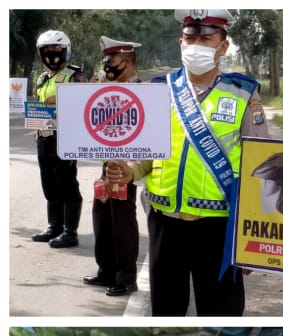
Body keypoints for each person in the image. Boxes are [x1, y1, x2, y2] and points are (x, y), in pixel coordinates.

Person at [105, 10, 267, 316]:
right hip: (166, 224)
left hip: (220, 228)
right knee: (165, 313)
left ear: (223, 46)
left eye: (206, 38)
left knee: (222, 317)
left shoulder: (244, 93)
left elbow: (259, 170)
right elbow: (148, 158)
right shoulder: (160, 90)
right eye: (190, 38)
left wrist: (251, 241)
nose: (196, 45)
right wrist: (128, 172)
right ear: (181, 41)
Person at [83, 36, 143, 297]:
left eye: (111, 60)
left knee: (122, 221)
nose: (107, 64)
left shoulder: (141, 91)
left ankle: (126, 277)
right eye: (105, 60)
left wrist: (130, 167)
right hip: (108, 164)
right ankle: (106, 270)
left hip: (126, 166)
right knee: (101, 216)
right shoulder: (109, 90)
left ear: (127, 60)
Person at [30, 29, 87, 248]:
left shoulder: (75, 75)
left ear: (65, 51)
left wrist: (60, 99)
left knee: (67, 183)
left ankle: (69, 232)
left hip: (66, 137)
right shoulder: (42, 77)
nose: (51, 55)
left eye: (56, 50)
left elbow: (84, 103)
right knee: (49, 183)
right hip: (44, 137)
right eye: (46, 51)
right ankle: (54, 227)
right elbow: (37, 104)